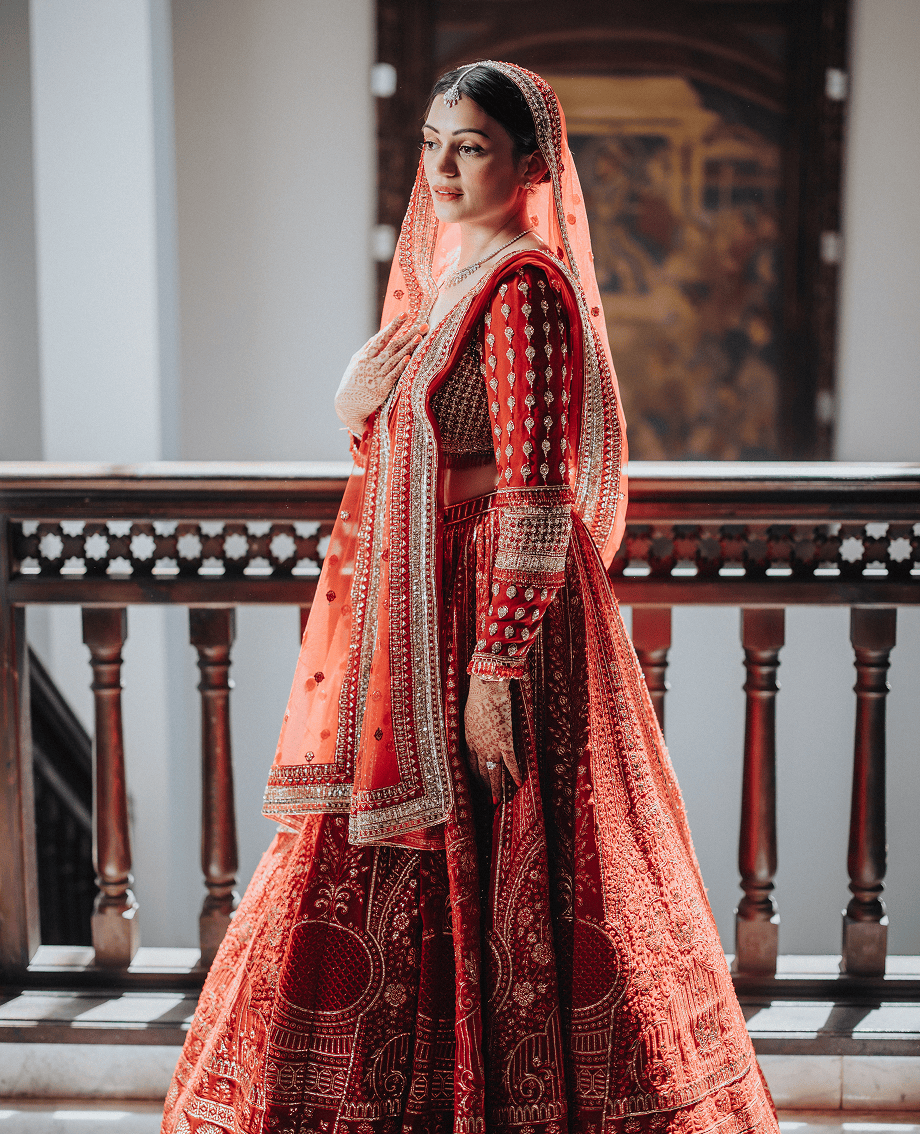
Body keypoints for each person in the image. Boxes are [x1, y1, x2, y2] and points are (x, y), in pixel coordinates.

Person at [162, 61, 778, 1134]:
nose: (443, 168)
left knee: (521, 851)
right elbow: (404, 431)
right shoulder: (452, 281)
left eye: (472, 147)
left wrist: (495, 665)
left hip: (493, 610)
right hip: (424, 602)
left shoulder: (523, 287)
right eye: (433, 145)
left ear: (530, 165)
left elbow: (535, 491)